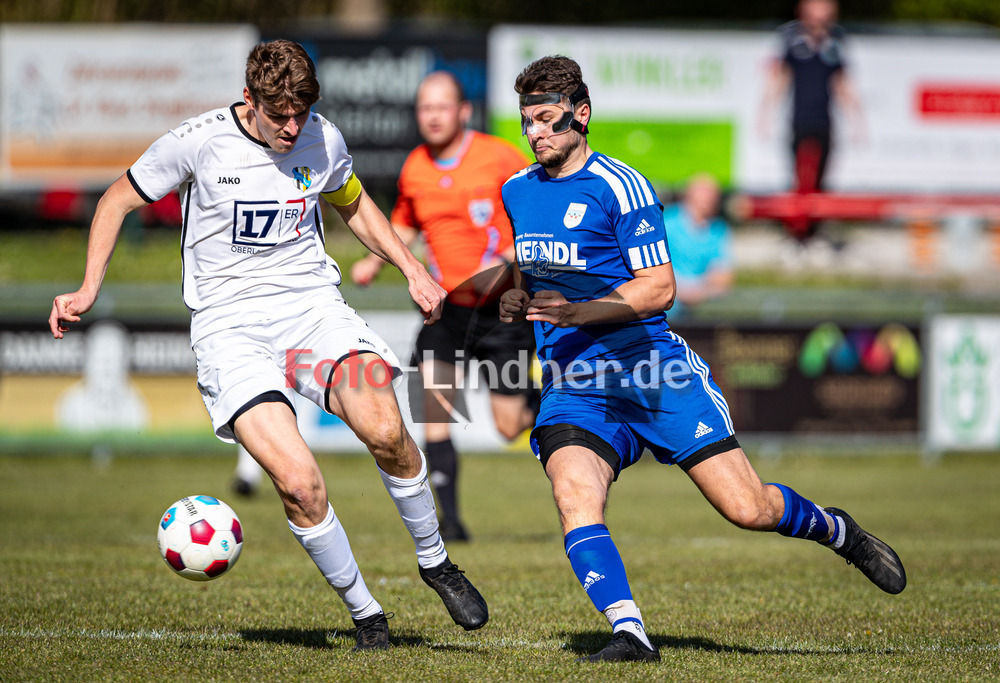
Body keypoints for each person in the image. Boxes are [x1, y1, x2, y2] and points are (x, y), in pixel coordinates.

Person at [49, 39, 488, 651]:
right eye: (278, 114)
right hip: (229, 328)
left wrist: (410, 268)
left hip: (312, 312)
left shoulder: (322, 137)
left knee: (386, 427)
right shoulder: (197, 141)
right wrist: (88, 286)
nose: (291, 126)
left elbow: (352, 201)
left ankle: (436, 561)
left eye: (300, 114)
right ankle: (368, 618)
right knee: (298, 482)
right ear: (248, 99)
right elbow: (115, 200)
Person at [499, 55, 904, 664]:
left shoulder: (621, 186)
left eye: (549, 120)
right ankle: (630, 633)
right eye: (527, 122)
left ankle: (835, 528)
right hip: (577, 382)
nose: (536, 134)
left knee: (749, 509)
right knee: (573, 494)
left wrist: (577, 313)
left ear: (582, 115)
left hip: (655, 375)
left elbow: (660, 288)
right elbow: (542, 272)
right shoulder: (516, 190)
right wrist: (518, 297)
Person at [351, 71, 537, 542]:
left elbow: (535, 221)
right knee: (432, 411)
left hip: (501, 312)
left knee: (509, 426)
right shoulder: (415, 165)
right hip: (444, 312)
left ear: (463, 111)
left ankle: (548, 400)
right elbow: (405, 225)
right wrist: (375, 262)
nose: (432, 116)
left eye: (441, 107)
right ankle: (449, 521)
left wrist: (510, 258)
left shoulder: (500, 158)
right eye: (424, 108)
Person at [758, 0, 864, 241]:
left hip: (825, 121)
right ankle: (796, 234)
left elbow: (842, 84)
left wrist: (857, 120)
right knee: (799, 179)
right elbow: (780, 79)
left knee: (821, 179)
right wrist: (766, 113)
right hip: (799, 120)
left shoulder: (835, 43)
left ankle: (816, 232)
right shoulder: (792, 40)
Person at [661, 173, 734, 320]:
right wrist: (681, 290)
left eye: (712, 199)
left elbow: (723, 277)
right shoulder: (666, 223)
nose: (709, 203)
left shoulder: (718, 229)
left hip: (699, 310)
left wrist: (698, 292)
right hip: (664, 308)